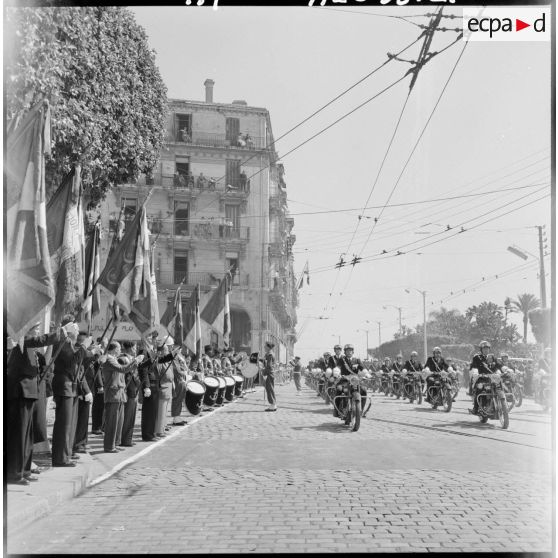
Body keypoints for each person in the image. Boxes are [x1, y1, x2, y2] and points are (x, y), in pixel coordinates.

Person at [7, 323, 67, 484]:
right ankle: (14, 473)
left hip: (30, 393)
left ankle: (25, 470)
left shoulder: (31, 348)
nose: (39, 331)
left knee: (28, 435)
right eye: (36, 328)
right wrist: (61, 332)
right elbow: (41, 340)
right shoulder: (22, 340)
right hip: (20, 392)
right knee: (19, 435)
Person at [51, 315, 95, 467]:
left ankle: (66, 454)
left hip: (71, 386)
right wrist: (84, 347)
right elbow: (71, 361)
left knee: (69, 424)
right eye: (75, 328)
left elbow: (78, 361)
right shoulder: (63, 342)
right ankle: (60, 458)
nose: (77, 331)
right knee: (63, 425)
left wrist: (91, 352)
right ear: (68, 329)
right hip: (64, 385)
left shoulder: (70, 343)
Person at [100, 342, 142, 453]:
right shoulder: (109, 359)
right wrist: (136, 361)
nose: (120, 350)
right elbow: (122, 369)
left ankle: (115, 443)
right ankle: (109, 446)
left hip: (120, 392)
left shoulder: (114, 358)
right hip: (113, 393)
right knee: (112, 422)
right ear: (113, 349)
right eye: (118, 348)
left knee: (119, 421)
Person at [138, 339, 174, 441]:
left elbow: (161, 360)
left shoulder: (151, 351)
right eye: (150, 337)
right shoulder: (143, 352)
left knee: (153, 413)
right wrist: (146, 386)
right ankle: (147, 435)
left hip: (155, 385)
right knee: (148, 413)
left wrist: (172, 354)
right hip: (150, 385)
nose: (153, 340)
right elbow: (143, 370)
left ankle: (151, 433)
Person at [72, 332, 100, 454]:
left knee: (84, 418)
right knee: (80, 418)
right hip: (81, 389)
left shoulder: (85, 352)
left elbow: (92, 365)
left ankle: (82, 442)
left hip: (88, 388)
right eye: (88, 342)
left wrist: (98, 357)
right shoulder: (78, 351)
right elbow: (81, 368)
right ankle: (78, 444)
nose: (91, 344)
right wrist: (93, 354)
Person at [120, 341, 142, 446]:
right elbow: (126, 374)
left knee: (132, 417)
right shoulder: (123, 359)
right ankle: (124, 440)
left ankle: (128, 438)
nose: (135, 349)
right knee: (127, 417)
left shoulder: (133, 359)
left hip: (134, 390)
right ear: (130, 348)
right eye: (134, 347)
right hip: (128, 390)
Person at [468, 340, 497, 415]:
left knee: (498, 387)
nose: (486, 350)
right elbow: (474, 366)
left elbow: (498, 366)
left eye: (487, 348)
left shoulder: (492, 357)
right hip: (481, 378)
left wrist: (505, 369)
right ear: (481, 349)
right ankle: (476, 408)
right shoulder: (477, 357)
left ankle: (501, 405)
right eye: (484, 349)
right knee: (479, 388)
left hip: (492, 378)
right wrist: (475, 372)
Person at [170, 347, 189, 426]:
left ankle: (178, 416)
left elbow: (183, 366)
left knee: (180, 398)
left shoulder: (179, 355)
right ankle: (175, 417)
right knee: (177, 398)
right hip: (178, 379)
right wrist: (183, 373)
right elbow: (176, 368)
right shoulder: (174, 356)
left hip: (182, 378)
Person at [262, 341, 277, 411]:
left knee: (269, 388)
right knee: (270, 388)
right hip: (269, 373)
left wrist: (264, 373)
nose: (264, 347)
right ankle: (273, 404)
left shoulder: (270, 354)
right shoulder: (268, 354)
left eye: (265, 346)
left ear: (268, 347)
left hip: (269, 373)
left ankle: (272, 404)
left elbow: (269, 366)